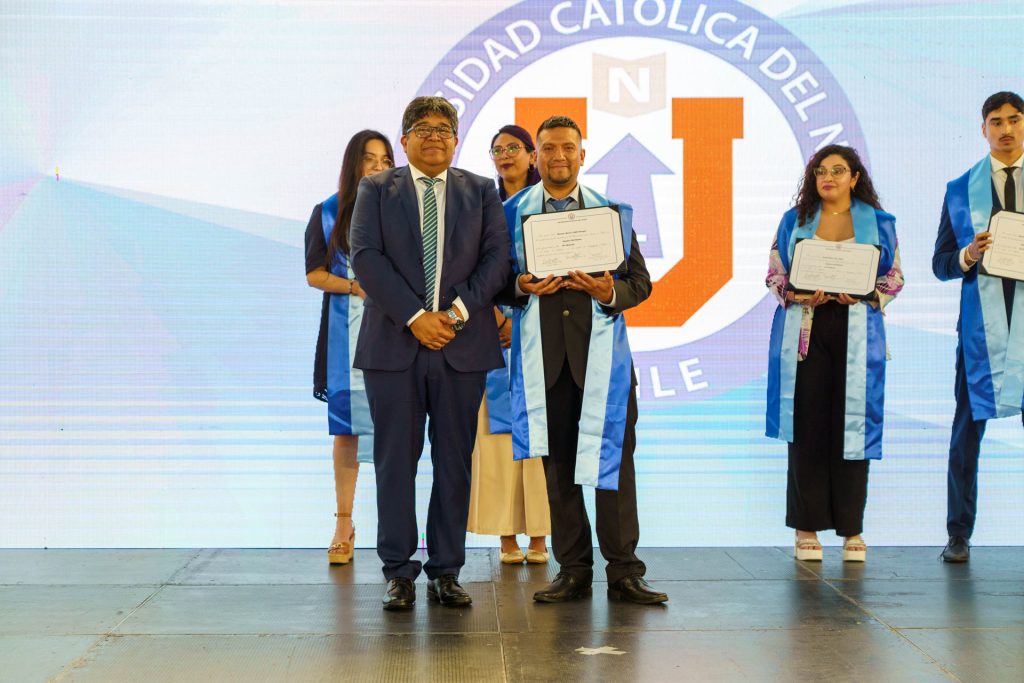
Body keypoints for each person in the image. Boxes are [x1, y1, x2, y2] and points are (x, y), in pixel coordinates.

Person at [349, 96, 511, 610]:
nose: (434, 136)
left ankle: (446, 570)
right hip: (393, 346)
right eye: (423, 128)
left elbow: (497, 259)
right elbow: (365, 257)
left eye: (444, 129)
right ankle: (398, 571)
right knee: (395, 462)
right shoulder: (376, 189)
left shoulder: (480, 190)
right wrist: (416, 317)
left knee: (454, 463)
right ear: (404, 140)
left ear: (456, 140)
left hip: (462, 347)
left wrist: (456, 314)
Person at [502, 116, 666, 604]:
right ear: (536, 155)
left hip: (603, 364)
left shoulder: (611, 213)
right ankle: (572, 569)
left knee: (613, 465)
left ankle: (625, 572)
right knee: (558, 471)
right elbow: (494, 282)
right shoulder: (511, 214)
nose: (559, 157)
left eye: (567, 148)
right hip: (545, 362)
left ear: (581, 154)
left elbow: (640, 284)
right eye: (549, 148)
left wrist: (608, 291)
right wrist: (520, 286)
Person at [766, 144, 903, 563]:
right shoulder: (794, 220)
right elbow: (774, 274)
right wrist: (798, 293)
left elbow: (895, 278)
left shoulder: (880, 223)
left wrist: (865, 293)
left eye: (838, 170)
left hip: (857, 330)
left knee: (853, 428)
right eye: (821, 171)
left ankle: (851, 529)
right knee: (806, 428)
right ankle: (805, 528)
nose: (828, 178)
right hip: (806, 334)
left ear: (855, 178)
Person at [933, 91, 1024, 563]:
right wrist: (968, 255)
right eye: (996, 121)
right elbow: (940, 264)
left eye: (1015, 119)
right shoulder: (959, 189)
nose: (1006, 129)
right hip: (980, 334)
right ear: (983, 128)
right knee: (966, 435)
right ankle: (958, 533)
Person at [304, 130, 394, 565]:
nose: (378, 167)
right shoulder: (327, 212)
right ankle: (344, 522)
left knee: (397, 430)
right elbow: (314, 274)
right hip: (346, 333)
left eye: (385, 160)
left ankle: (398, 527)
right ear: (353, 163)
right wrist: (356, 286)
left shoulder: (402, 208)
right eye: (369, 159)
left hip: (396, 331)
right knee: (347, 430)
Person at [467, 125, 550, 564]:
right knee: (498, 438)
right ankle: (505, 534)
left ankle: (540, 533)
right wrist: (496, 316)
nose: (504, 155)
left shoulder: (548, 206)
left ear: (533, 155)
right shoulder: (484, 208)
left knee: (540, 431)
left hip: (540, 332)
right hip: (494, 335)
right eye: (497, 150)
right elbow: (470, 270)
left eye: (513, 148)